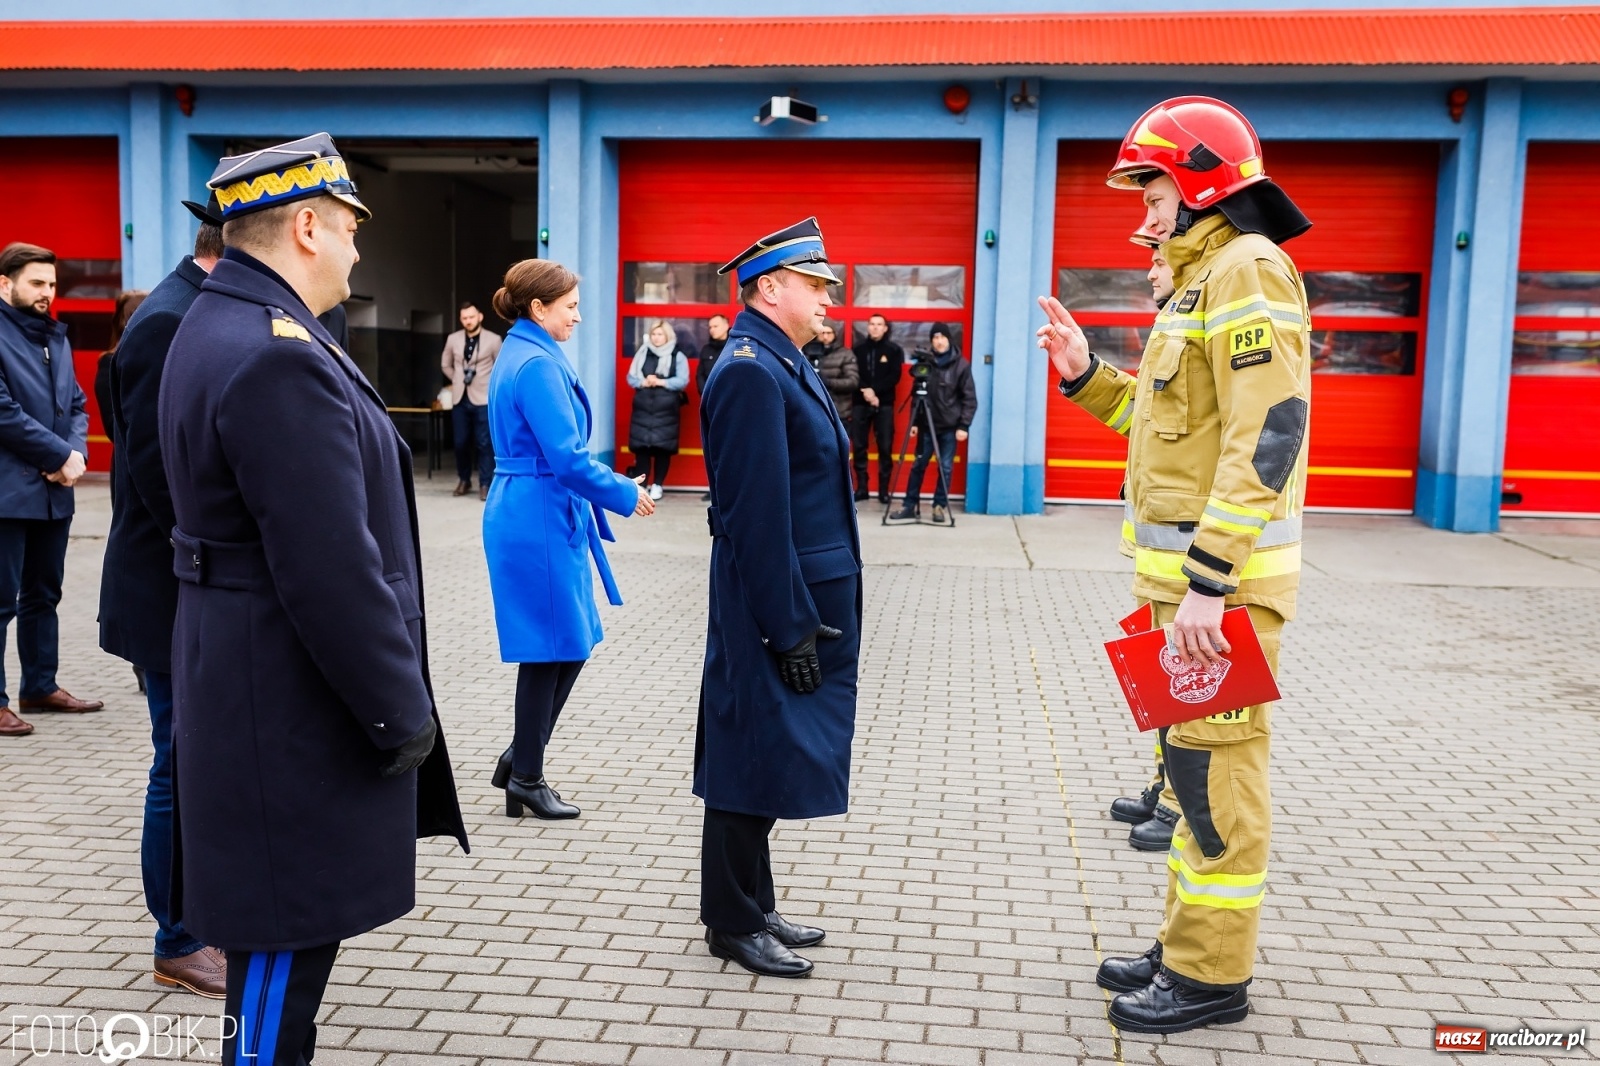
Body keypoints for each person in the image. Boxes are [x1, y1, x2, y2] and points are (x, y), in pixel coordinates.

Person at [159, 133, 467, 1066]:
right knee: (278, 957)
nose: (357, 249)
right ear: (304, 226)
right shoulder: (274, 352)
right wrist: (399, 711)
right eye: (349, 228)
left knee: (282, 948)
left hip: (248, 671)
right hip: (284, 696)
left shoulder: (226, 322)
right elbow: (329, 569)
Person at [1040, 96, 1312, 1035]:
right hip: (1182, 593)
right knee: (1186, 772)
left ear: (1201, 183)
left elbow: (1268, 429)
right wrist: (1085, 375)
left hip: (1216, 598)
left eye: (1152, 192)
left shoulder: (1248, 269)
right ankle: (1184, 945)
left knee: (1215, 780)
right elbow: (1168, 430)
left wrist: (1209, 581)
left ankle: (1210, 977)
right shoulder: (1203, 281)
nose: (1145, 215)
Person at [697, 217, 861, 978]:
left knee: (772, 752)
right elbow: (756, 517)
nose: (830, 297)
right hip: (775, 603)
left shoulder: (778, 360)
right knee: (749, 754)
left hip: (799, 597)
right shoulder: (749, 371)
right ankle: (730, 921)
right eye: (816, 284)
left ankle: (755, 903)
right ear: (770, 287)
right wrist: (787, 626)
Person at [99, 197, 228, 999]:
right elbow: (158, 476)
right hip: (169, 589)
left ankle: (206, 916)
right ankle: (176, 939)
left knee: (200, 761)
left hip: (194, 583)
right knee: (178, 764)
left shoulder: (197, 309)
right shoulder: (167, 321)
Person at [483, 260, 655, 820]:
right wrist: (624, 492)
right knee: (551, 648)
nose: (578, 316)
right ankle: (526, 775)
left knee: (565, 643)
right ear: (539, 308)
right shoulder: (535, 363)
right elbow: (568, 459)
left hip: (536, 509)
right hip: (538, 513)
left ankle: (521, 759)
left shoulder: (524, 350)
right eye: (571, 306)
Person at [0, 241, 101, 738]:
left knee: (43, 594)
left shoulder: (53, 336)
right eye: (37, 283)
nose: (47, 292)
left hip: (52, 493)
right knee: (1, 601)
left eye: (52, 284)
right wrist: (59, 456)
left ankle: (40, 686)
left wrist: (74, 454)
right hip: (7, 493)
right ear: (5, 284)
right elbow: (4, 412)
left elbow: (77, 404)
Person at [1111, 242, 1187, 855]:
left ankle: (1184, 808)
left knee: (1198, 694)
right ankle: (1167, 788)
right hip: (1162, 559)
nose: (1149, 269)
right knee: (1167, 682)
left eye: (1159, 260)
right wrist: (1084, 373)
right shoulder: (1172, 329)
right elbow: (1145, 421)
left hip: (1197, 561)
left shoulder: (1206, 324)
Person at [889, 323, 976, 525]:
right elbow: (917, 394)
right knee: (918, 465)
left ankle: (939, 506)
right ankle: (909, 505)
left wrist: (963, 426)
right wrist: (914, 422)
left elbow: (970, 399)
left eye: (942, 337)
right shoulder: (925, 364)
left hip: (949, 427)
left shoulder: (961, 366)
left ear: (948, 339)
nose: (939, 341)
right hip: (926, 426)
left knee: (945, 468)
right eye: (935, 338)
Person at [441, 300, 502, 500]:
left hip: (483, 398)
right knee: (460, 442)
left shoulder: (494, 339)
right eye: (464, 318)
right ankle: (464, 480)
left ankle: (485, 483)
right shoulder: (453, 339)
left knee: (484, 443)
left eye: (471, 317)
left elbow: (500, 367)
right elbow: (445, 364)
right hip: (460, 398)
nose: (468, 321)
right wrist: (456, 379)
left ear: (480, 317)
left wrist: (491, 386)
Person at [625, 319, 691, 500]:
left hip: (666, 410)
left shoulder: (677, 356)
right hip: (643, 409)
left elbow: (682, 380)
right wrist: (643, 382)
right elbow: (631, 378)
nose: (656, 337)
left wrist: (661, 382)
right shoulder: (642, 353)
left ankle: (657, 485)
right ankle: (642, 486)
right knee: (642, 449)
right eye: (653, 334)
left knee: (663, 449)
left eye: (660, 334)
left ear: (667, 336)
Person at [850, 313, 904, 502]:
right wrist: (866, 391)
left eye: (879, 324)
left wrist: (875, 392)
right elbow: (853, 373)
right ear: (868, 327)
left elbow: (895, 376)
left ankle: (883, 491)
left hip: (884, 404)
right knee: (859, 446)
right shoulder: (858, 349)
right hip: (860, 403)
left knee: (885, 447)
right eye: (872, 324)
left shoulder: (894, 350)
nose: (875, 327)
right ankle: (862, 488)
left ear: (885, 328)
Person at [697, 314, 730, 501]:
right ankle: (714, 489)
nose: (712, 330)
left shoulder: (734, 347)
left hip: (730, 405)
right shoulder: (706, 349)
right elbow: (700, 375)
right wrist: (707, 394)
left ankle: (728, 488)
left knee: (730, 448)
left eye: (715, 326)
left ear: (726, 326)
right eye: (710, 327)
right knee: (713, 449)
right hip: (711, 405)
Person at [802, 322, 858, 424]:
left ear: (835, 334)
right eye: (822, 333)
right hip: (811, 410)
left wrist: (829, 382)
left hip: (838, 410)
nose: (825, 337)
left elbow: (852, 381)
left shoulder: (845, 354)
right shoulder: (807, 352)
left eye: (829, 333)